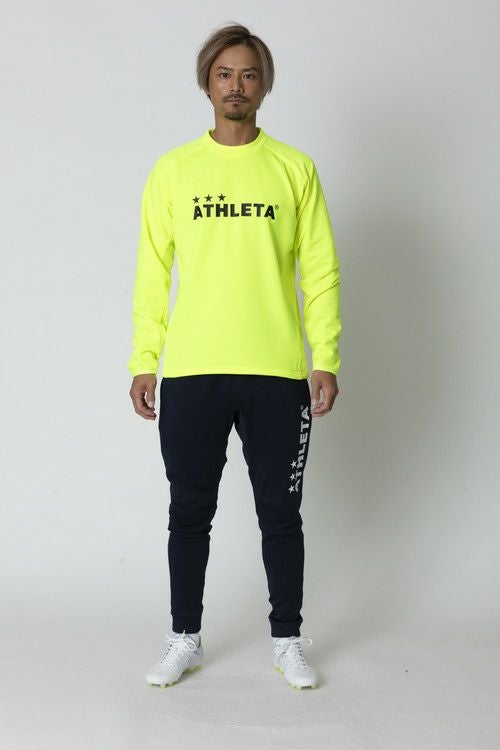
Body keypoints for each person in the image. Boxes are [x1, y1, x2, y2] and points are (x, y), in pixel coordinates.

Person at [127, 22, 342, 691]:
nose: (236, 86)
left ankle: (287, 641)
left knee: (280, 514)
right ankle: (184, 638)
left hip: (276, 371)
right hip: (193, 371)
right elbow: (152, 271)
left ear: (264, 84)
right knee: (189, 511)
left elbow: (320, 271)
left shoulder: (294, 169)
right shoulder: (175, 170)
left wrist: (326, 356)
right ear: (207, 83)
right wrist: (144, 359)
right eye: (225, 74)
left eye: (249, 74)